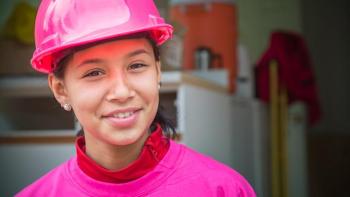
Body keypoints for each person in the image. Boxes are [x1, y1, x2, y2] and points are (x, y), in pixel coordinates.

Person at [16, 0, 256, 196]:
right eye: (94, 73)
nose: (121, 92)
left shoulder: (222, 190)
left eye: (137, 65)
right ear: (60, 89)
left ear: (158, 71)